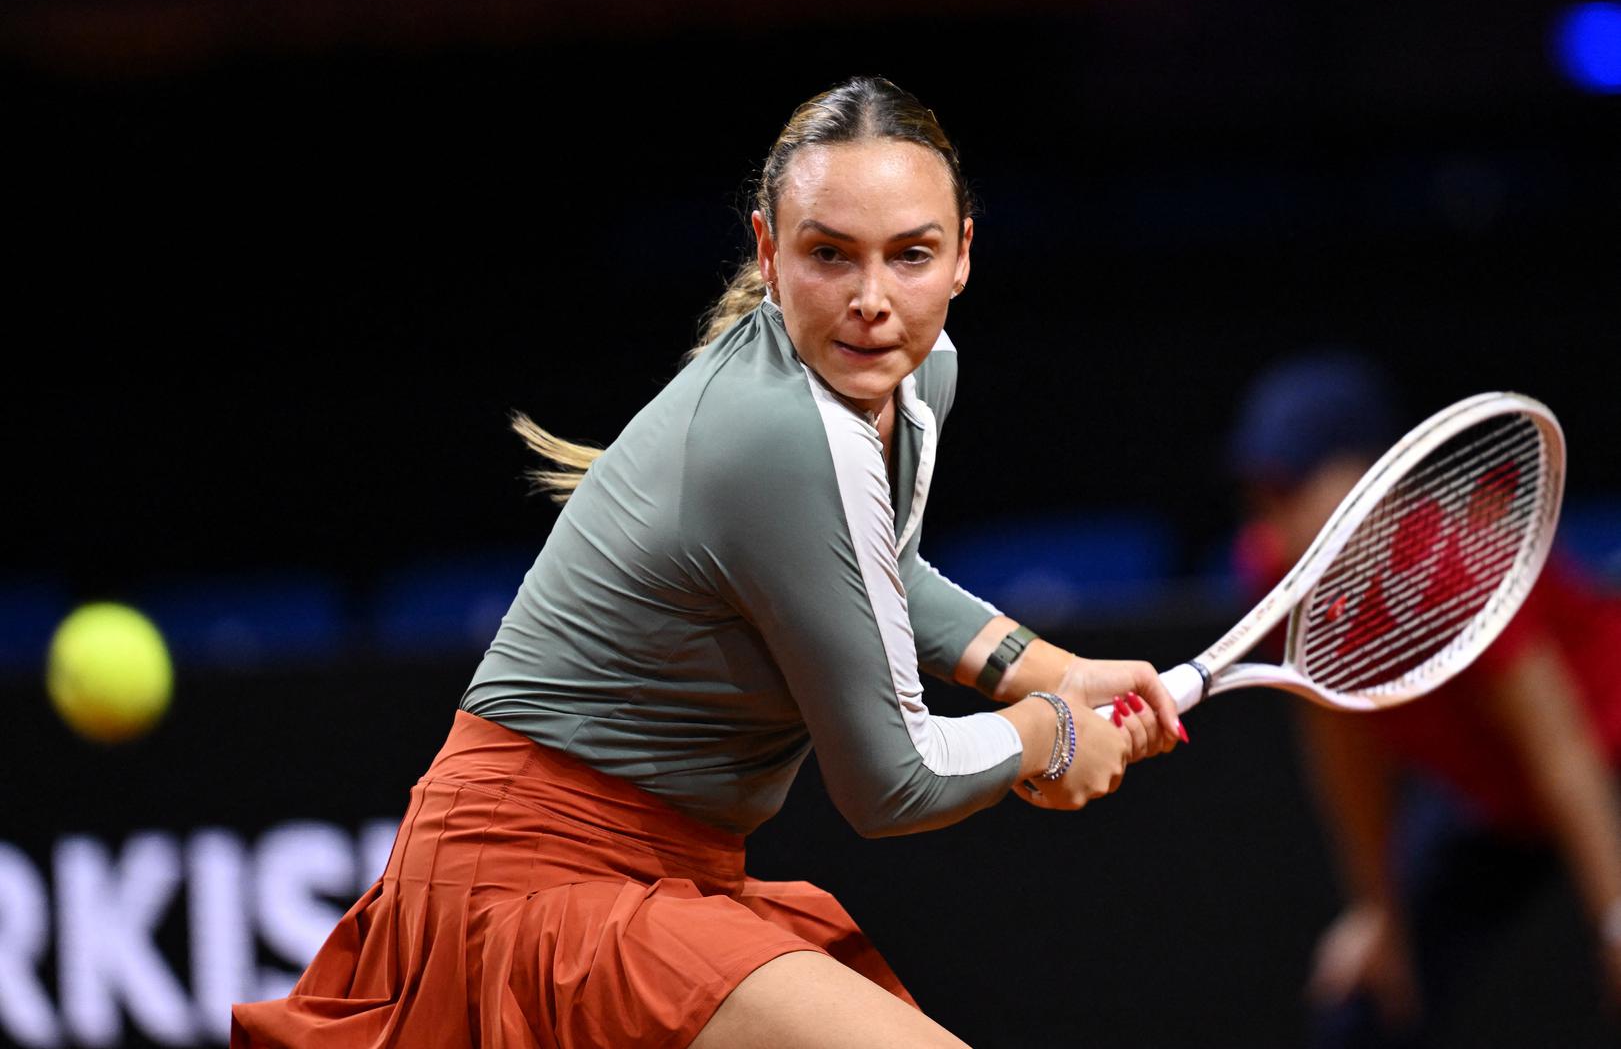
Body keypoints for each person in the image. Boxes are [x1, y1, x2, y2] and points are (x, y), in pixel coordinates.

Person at [231, 76, 1188, 1049]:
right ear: (768, 252)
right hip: (532, 881)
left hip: (673, 870)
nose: (871, 301)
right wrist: (1048, 735)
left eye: (910, 255)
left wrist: (1054, 671)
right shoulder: (779, 435)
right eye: (828, 254)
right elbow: (892, 782)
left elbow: (880, 577)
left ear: (961, 257)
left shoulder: (914, 374)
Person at [1227, 354, 1621, 1048]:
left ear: (1373, 478)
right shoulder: (1275, 571)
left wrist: (1615, 920)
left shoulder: (1456, 561)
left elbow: (1562, 753)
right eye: (1262, 498)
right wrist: (1377, 910)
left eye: (1292, 490)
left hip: (1601, 761)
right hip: (1489, 804)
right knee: (1363, 1006)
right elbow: (1343, 743)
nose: (1274, 522)